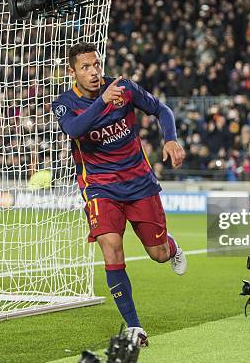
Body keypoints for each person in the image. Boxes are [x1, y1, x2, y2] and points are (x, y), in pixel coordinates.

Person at [51, 42, 187, 346]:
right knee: (111, 247)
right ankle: (134, 326)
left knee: (159, 254)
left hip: (139, 183)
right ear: (72, 72)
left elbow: (160, 109)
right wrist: (102, 102)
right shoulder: (64, 103)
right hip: (99, 187)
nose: (94, 72)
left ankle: (172, 246)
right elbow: (74, 129)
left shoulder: (124, 88)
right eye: (85, 67)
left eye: (96, 64)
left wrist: (171, 140)